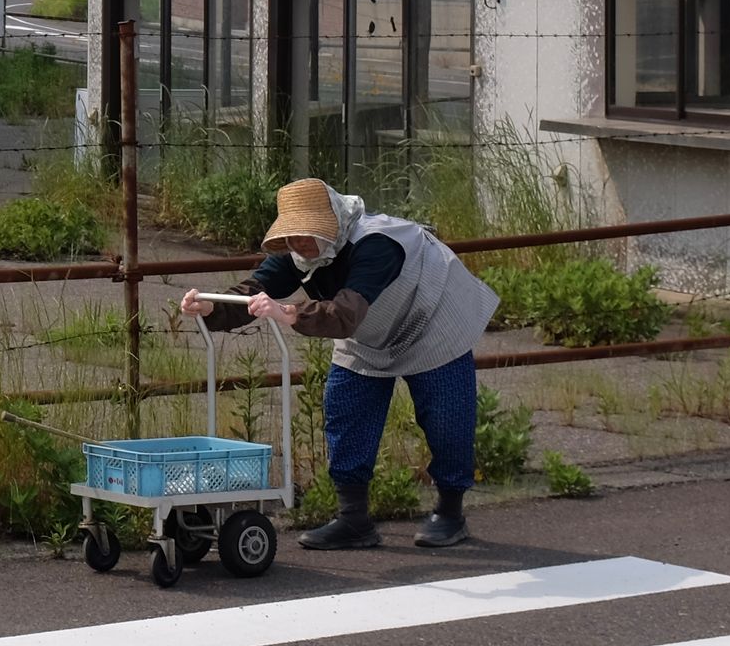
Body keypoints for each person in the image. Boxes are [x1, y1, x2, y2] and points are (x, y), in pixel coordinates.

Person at [180, 177, 498, 552]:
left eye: (306, 234)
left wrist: (289, 313)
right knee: (346, 410)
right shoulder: (298, 254)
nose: (298, 244)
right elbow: (255, 289)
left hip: (433, 316)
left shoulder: (378, 244)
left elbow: (345, 312)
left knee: (446, 416)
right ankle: (354, 520)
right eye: (291, 237)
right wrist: (212, 307)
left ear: (332, 226)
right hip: (367, 331)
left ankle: (450, 513)